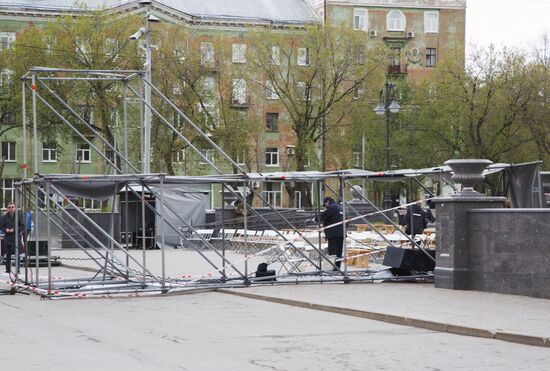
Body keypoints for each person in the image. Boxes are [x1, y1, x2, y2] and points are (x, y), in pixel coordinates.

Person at [320, 197, 344, 270]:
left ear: (327, 202)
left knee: (333, 252)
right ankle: (337, 268)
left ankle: (332, 269)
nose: (325, 206)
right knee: (339, 252)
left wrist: (315, 219)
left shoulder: (332, 207)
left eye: (325, 204)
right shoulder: (340, 207)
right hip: (341, 233)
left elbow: (322, 216)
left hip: (333, 234)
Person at [1, 202, 25, 274]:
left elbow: (22, 226)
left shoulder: (19, 216)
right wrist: (6, 230)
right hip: (7, 237)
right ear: (7, 208)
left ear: (15, 208)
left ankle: (17, 270)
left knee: (17, 254)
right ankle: (8, 269)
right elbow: (1, 226)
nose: (11, 208)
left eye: (12, 207)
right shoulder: (4, 217)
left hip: (16, 237)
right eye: (9, 207)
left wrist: (14, 229)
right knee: (8, 254)